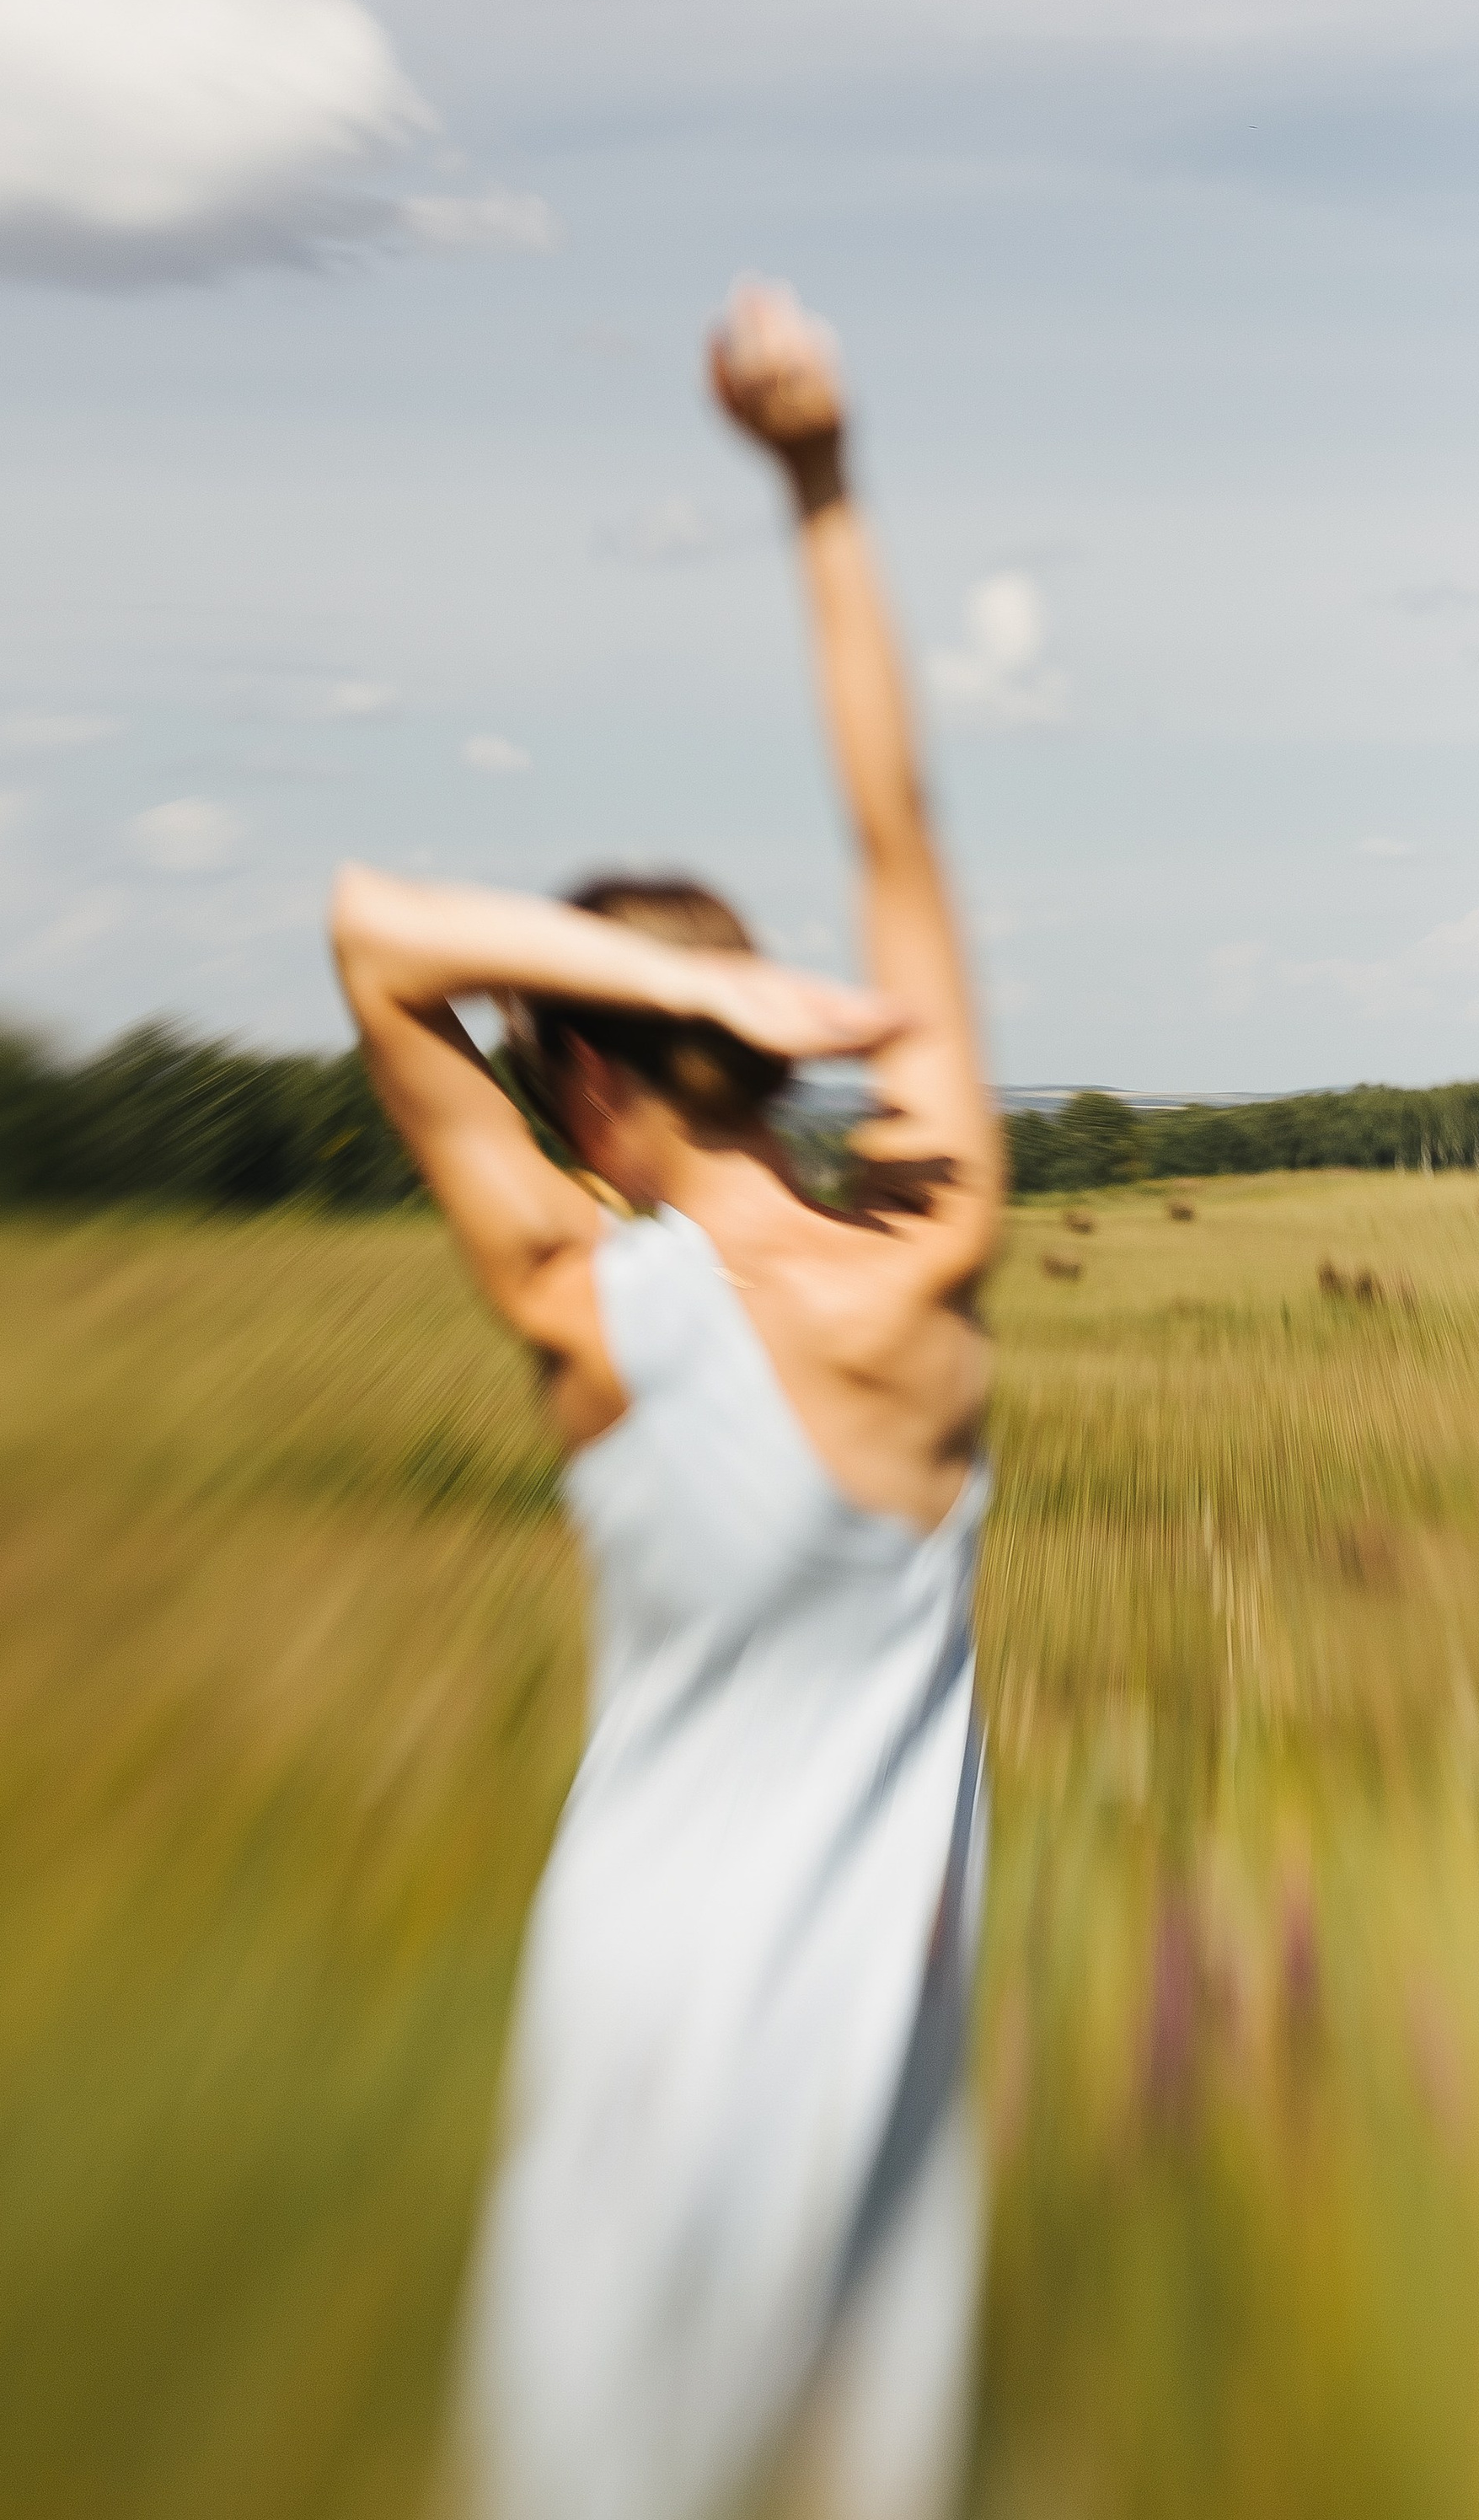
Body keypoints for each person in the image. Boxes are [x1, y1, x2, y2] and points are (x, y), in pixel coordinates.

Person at [330, 278, 1002, 2520]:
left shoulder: (573, 1295)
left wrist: (608, 971)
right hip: (872, 2040)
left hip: (635, 2015)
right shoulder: (934, 1260)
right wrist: (817, 479)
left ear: (590, 1070)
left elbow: (369, 928)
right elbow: (902, 832)